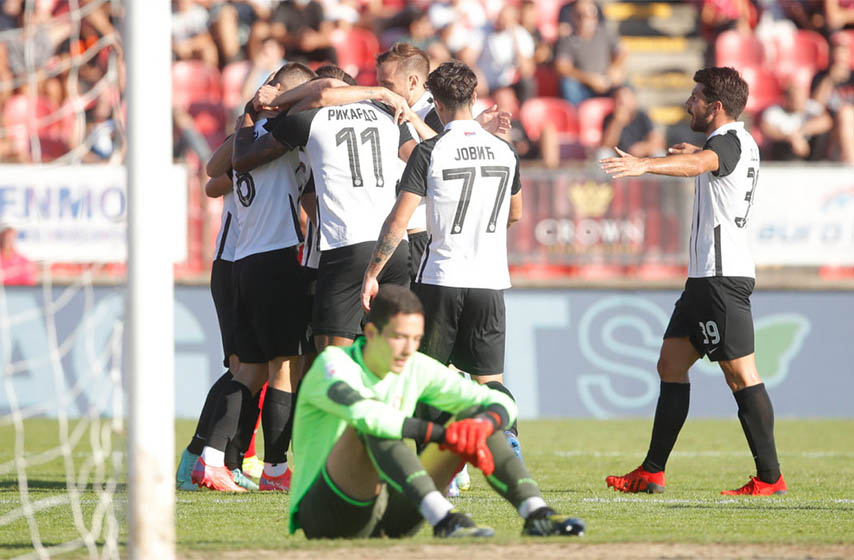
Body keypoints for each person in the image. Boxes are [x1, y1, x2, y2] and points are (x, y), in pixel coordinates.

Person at [599, 67, 787, 496]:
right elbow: (709, 161)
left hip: (720, 279)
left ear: (716, 106)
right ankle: (652, 471)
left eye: (695, 97)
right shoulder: (736, 142)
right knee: (671, 364)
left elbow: (702, 164)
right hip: (704, 280)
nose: (688, 104)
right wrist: (694, 154)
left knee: (741, 374)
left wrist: (644, 163)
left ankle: (770, 477)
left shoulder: (724, 144)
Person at [289, 284, 585, 539]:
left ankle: (536, 513)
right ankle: (446, 519)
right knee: (374, 423)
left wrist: (483, 423)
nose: (409, 348)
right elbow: (368, 415)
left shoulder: (415, 366)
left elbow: (500, 400)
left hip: (393, 512)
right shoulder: (332, 365)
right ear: (371, 332)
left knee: (474, 418)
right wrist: (445, 434)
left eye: (416, 339)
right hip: (328, 514)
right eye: (399, 337)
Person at [360, 61, 524, 457]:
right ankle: (510, 436)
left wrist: (372, 272)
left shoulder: (430, 151)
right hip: (489, 280)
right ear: (473, 97)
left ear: (437, 102)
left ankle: (438, 460)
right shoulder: (504, 150)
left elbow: (400, 220)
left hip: (441, 277)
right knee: (489, 379)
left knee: (427, 376)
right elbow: (516, 213)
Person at [192, 62, 316, 493]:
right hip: (275, 257)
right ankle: (276, 471)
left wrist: (248, 111)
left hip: (242, 262)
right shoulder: (287, 133)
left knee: (248, 372)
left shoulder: (247, 135)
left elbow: (213, 170)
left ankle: (211, 460)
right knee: (284, 369)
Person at [554, 0, 625, 105]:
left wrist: (615, 68)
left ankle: (624, 120)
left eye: (588, 15)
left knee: (624, 89)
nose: (584, 20)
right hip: (582, 85)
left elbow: (622, 51)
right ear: (573, 17)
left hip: (606, 81)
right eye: (579, 15)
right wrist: (590, 79)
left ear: (595, 17)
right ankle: (576, 117)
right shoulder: (568, 39)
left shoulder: (604, 33)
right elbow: (562, 66)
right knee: (568, 84)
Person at [0, 219, 37, 285]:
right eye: (4, 234)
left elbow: (29, 284)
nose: (7, 237)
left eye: (10, 234)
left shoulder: (24, 262)